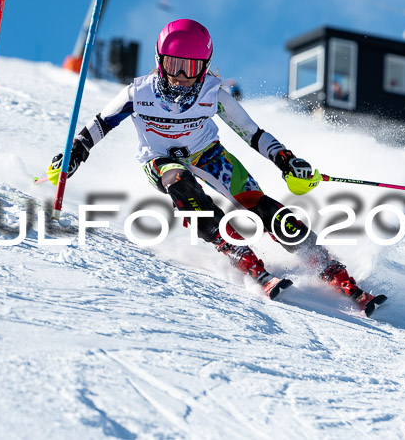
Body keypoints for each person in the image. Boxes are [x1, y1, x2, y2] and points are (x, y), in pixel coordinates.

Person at [50, 19, 384, 313]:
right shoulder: (138, 92)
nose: (182, 76)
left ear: (205, 66)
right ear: (159, 61)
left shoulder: (213, 93)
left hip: (207, 153)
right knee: (180, 182)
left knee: (263, 207)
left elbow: (252, 133)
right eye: (174, 64)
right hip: (159, 159)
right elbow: (99, 124)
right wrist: (76, 152)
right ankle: (238, 251)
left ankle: (330, 269)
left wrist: (285, 159)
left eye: (191, 68)